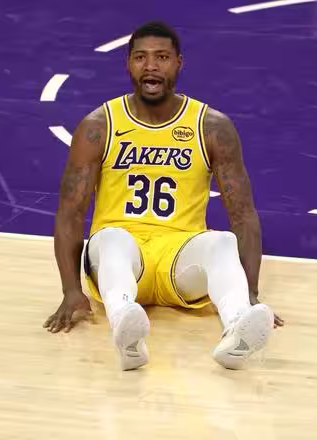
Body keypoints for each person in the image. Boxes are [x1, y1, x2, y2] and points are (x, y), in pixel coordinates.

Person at [44, 22, 284, 371]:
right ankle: (126, 326)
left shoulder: (211, 127)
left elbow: (243, 214)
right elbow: (70, 212)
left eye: (162, 57)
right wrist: (71, 290)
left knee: (221, 242)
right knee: (111, 239)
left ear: (179, 63)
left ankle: (237, 326)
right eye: (141, 57)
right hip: (123, 260)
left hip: (179, 257)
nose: (151, 66)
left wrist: (251, 290)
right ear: (128, 64)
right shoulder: (99, 126)